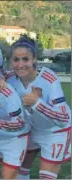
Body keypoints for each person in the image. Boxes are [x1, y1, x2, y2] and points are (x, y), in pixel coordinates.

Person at [6, 35, 71, 179]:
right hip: (32, 129)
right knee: (19, 170)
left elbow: (63, 118)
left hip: (55, 131)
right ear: (11, 61)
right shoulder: (9, 78)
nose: (20, 64)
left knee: (46, 176)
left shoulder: (49, 79)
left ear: (34, 59)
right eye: (16, 59)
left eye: (26, 59)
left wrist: (37, 103)